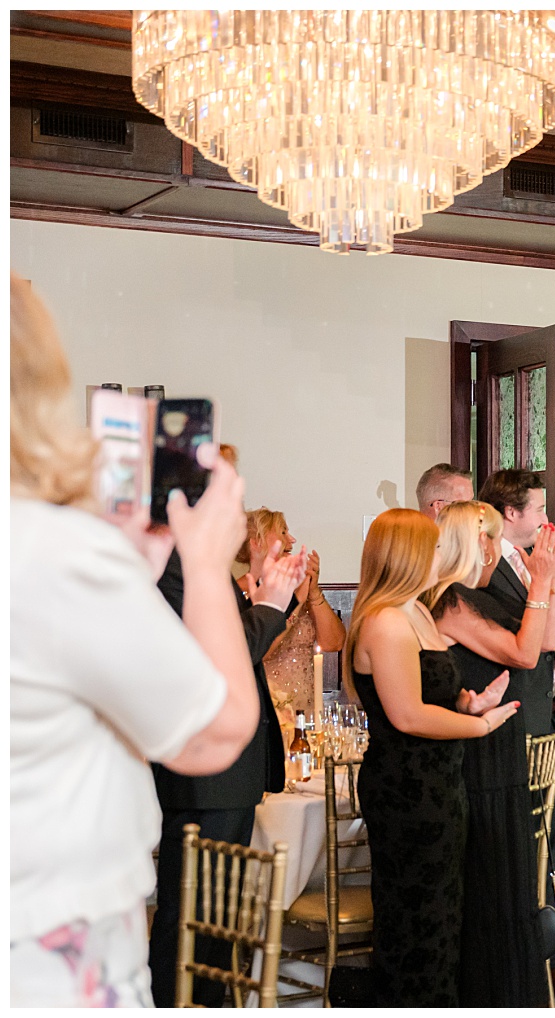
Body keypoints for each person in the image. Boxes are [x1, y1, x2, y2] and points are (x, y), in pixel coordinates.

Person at [11, 274, 265, 1006]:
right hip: (51, 959)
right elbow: (215, 734)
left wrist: (135, 570)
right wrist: (210, 567)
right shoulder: (49, 551)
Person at [343, 508, 529, 1006]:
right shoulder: (384, 622)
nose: (440, 555)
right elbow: (406, 715)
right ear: (407, 556)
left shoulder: (417, 612)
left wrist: (469, 702)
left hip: (439, 785)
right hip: (407, 790)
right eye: (431, 547)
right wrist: (478, 725)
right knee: (414, 924)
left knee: (443, 919)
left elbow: (431, 695)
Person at [426, 501, 555, 1007]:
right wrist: (542, 580)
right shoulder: (450, 599)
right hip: (474, 750)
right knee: (491, 878)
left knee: (511, 876)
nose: (495, 547)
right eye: (488, 537)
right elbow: (521, 653)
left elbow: (540, 644)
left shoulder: (478, 596)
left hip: (501, 742)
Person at [147, 517, 308, 1006]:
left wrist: (259, 585)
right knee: (196, 919)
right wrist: (270, 606)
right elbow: (224, 656)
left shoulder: (196, 563)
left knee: (214, 919)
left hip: (220, 773)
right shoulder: (177, 562)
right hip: (206, 771)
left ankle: (205, 1002)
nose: (236, 516)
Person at [476, 468, 555, 1004]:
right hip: (507, 717)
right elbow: (518, 642)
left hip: (543, 715)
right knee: (518, 854)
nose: (546, 520)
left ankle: (550, 964)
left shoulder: (530, 563)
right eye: (537, 509)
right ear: (511, 514)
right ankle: (531, 970)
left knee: (544, 853)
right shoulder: (481, 570)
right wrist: (548, 586)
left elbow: (551, 641)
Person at [238, 508, 346, 727]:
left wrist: (313, 592)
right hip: (264, 713)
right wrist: (295, 602)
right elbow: (259, 652)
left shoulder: (301, 587)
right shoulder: (237, 593)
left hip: (305, 712)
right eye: (283, 532)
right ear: (256, 542)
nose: (292, 539)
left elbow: (334, 643)